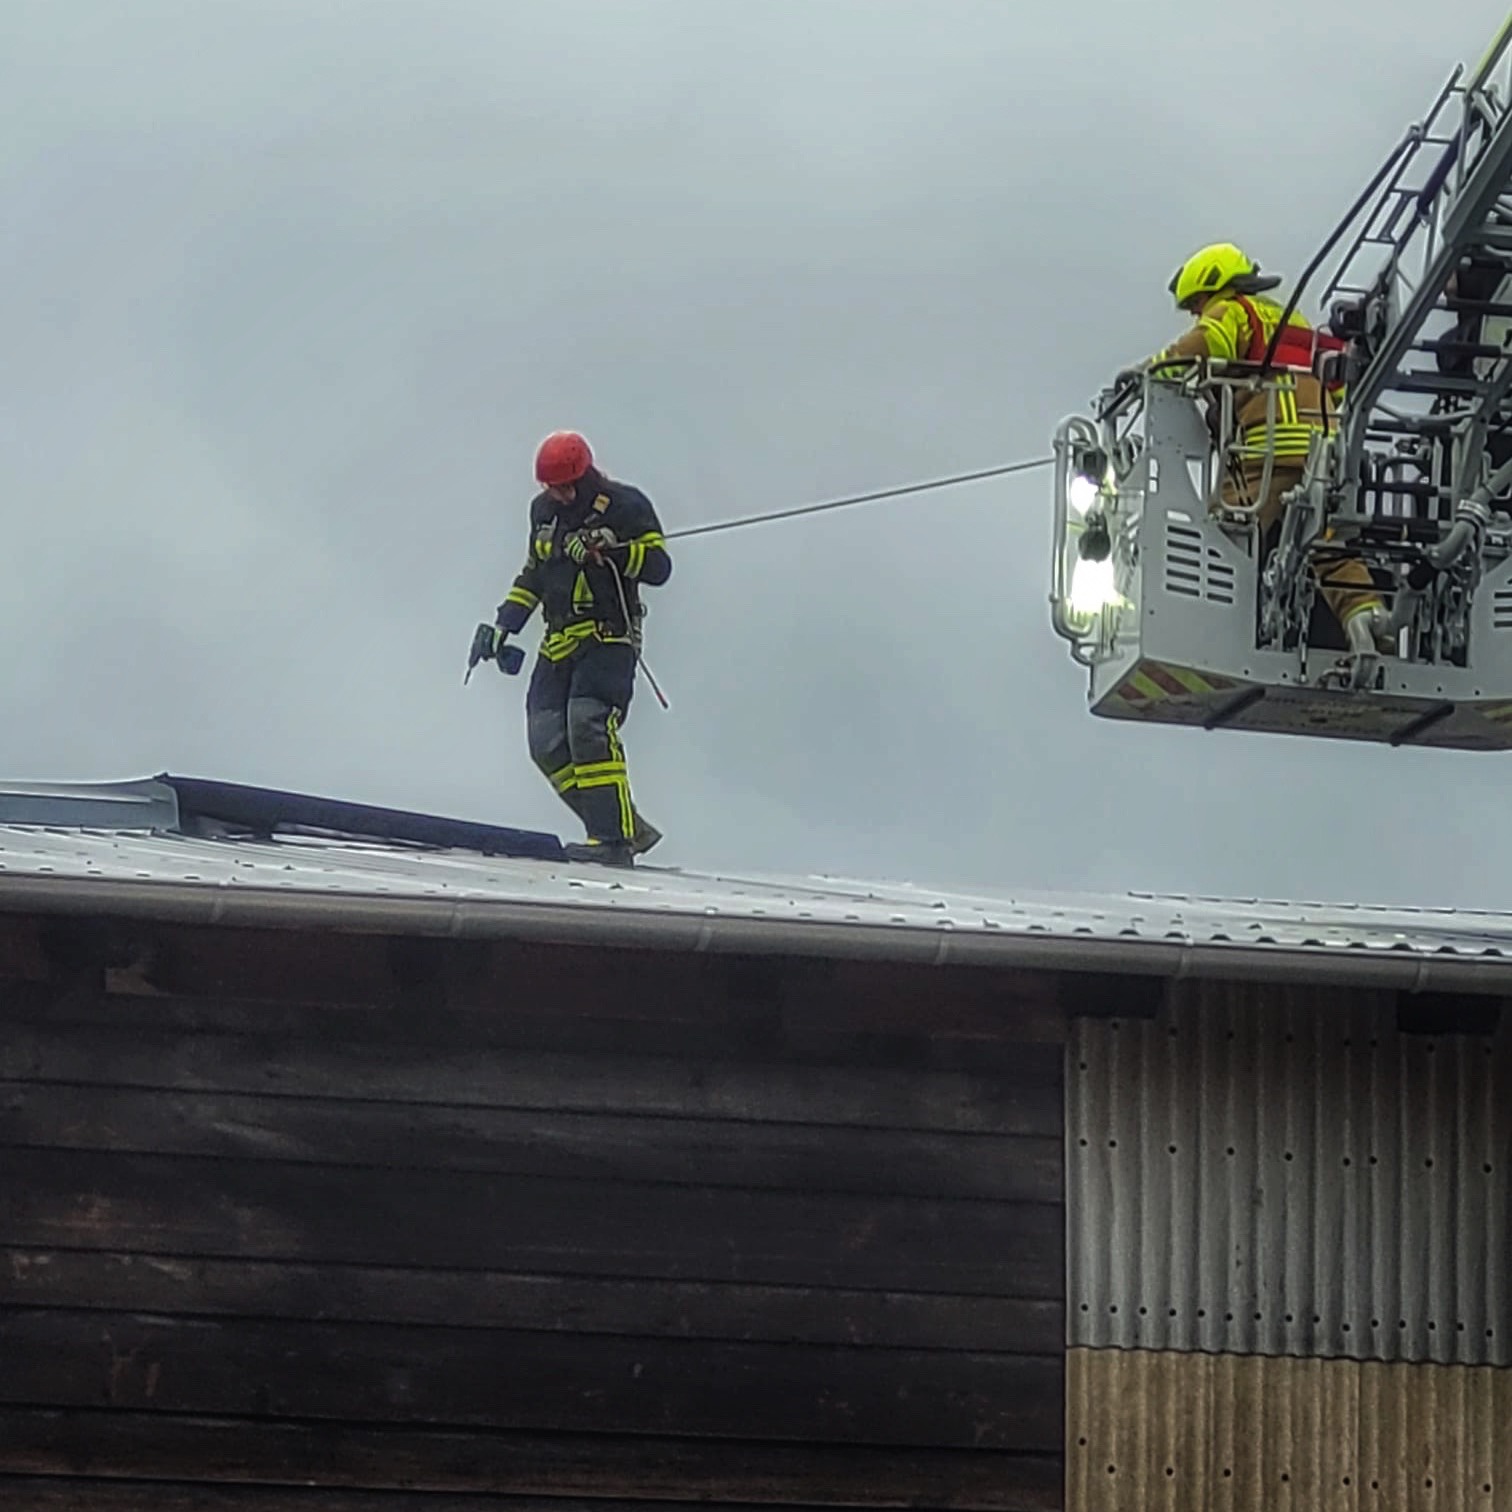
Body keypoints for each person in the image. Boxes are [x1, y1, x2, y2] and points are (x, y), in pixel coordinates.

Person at [1143, 242, 1390, 663]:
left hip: (1267, 451)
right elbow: (1337, 385)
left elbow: (1203, 346)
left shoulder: (1233, 311)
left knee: (1224, 535)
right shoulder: (1294, 320)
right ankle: (1366, 621)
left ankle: (1215, 633)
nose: (1196, 313)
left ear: (1214, 286)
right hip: (1322, 454)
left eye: (1196, 303)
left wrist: (1150, 369)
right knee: (1326, 545)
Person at [476, 430, 671, 867]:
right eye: (550, 488)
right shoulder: (542, 512)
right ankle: (622, 822)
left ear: (583, 476)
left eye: (564, 487)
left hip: (607, 637)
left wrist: (611, 549)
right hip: (558, 641)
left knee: (588, 725)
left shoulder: (625, 505)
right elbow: (534, 575)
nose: (558, 495)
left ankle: (612, 842)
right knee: (544, 739)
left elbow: (659, 567)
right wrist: (504, 625)